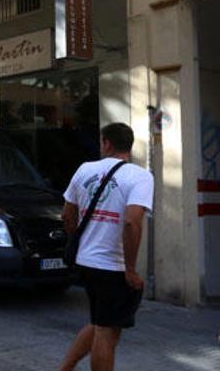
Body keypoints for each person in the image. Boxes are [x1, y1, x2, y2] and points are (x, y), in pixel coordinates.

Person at [58, 123, 154, 371]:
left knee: (99, 322)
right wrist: (130, 269)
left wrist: (78, 242)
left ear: (107, 143)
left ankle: (65, 368)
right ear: (129, 146)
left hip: (86, 261)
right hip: (113, 266)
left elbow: (67, 215)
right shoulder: (140, 176)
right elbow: (132, 222)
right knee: (107, 333)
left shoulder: (84, 169)